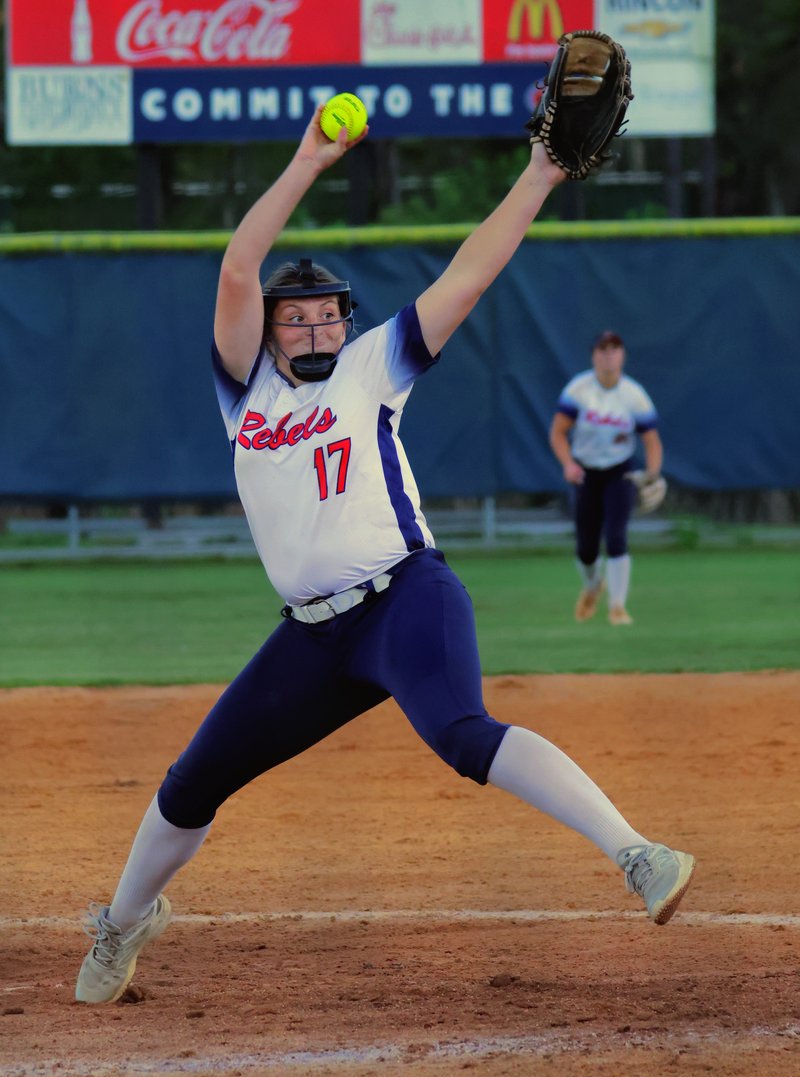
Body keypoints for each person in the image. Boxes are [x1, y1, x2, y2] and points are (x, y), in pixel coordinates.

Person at [75, 105, 694, 1005]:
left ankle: (639, 854)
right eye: (300, 318)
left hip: (406, 598)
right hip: (312, 639)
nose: (318, 328)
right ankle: (121, 926)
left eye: (330, 315)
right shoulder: (243, 399)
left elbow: (470, 276)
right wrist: (306, 161)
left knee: (461, 733)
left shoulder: (376, 366)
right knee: (192, 781)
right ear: (272, 331)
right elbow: (240, 266)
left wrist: (540, 176)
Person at [549, 331, 664, 626]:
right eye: (603, 349)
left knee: (616, 537)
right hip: (585, 472)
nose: (608, 355)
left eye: (614, 349)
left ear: (622, 355)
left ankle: (617, 607)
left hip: (619, 471)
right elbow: (558, 432)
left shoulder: (633, 394)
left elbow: (652, 440)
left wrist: (652, 474)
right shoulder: (579, 389)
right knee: (586, 548)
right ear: (594, 355)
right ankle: (592, 586)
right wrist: (568, 463)